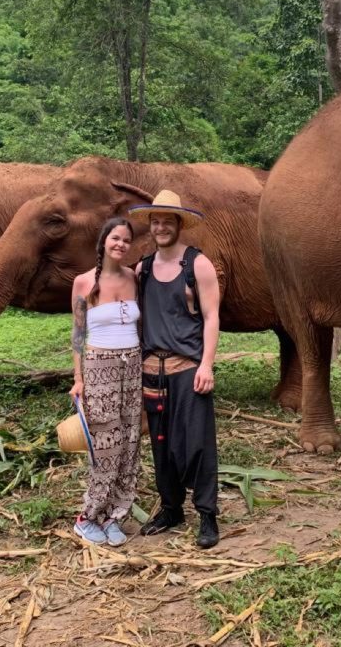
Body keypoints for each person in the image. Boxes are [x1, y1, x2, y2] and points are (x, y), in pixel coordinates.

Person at [129, 190, 222, 549]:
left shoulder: (197, 265)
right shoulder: (144, 268)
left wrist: (207, 364)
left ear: (179, 224)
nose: (161, 227)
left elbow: (212, 316)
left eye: (168, 220)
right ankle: (171, 508)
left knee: (197, 444)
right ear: (150, 226)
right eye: (156, 221)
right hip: (153, 369)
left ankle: (207, 514)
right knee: (161, 443)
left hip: (188, 368)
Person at [68, 217, 143, 547]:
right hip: (100, 367)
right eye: (116, 238)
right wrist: (78, 378)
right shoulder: (84, 282)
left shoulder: (134, 278)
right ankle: (88, 516)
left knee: (129, 443)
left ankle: (115, 516)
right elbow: (77, 334)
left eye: (127, 240)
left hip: (133, 365)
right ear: (103, 241)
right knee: (104, 445)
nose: (121, 245)